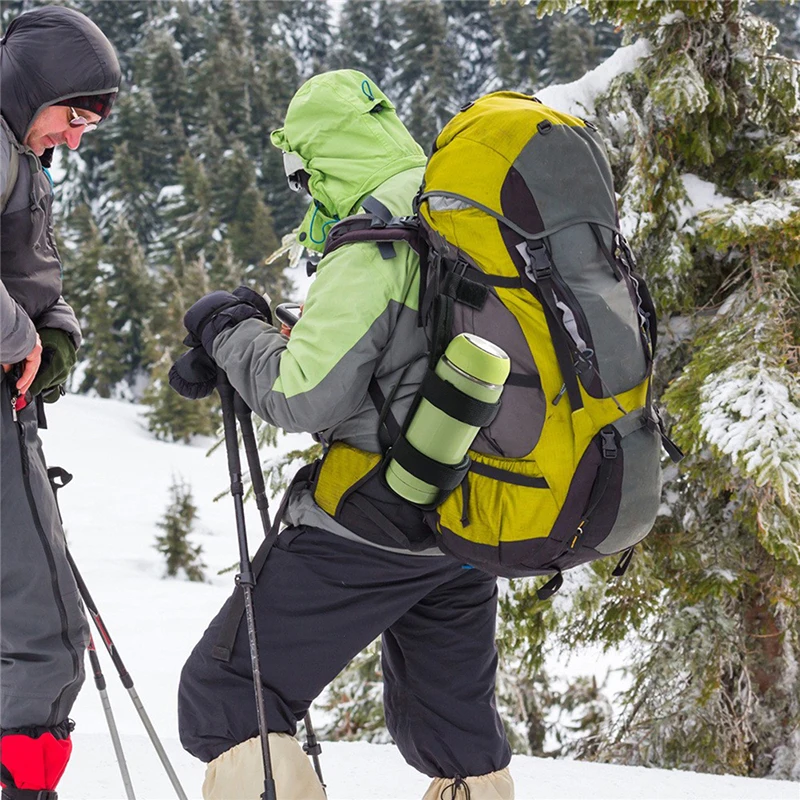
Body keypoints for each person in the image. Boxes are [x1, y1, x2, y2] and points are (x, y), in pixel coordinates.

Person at [175, 70, 514, 800]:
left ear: (318, 158)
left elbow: (301, 397)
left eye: (302, 176)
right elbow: (412, 341)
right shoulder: (455, 205)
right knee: (454, 731)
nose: (305, 195)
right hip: (472, 518)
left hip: (379, 516)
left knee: (228, 697)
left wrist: (229, 329)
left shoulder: (375, 233)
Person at [0, 7, 120, 798]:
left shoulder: (16, 155)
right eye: (72, 115)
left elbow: (36, 272)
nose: (75, 137)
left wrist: (54, 335)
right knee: (43, 626)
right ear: (29, 87)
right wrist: (18, 338)